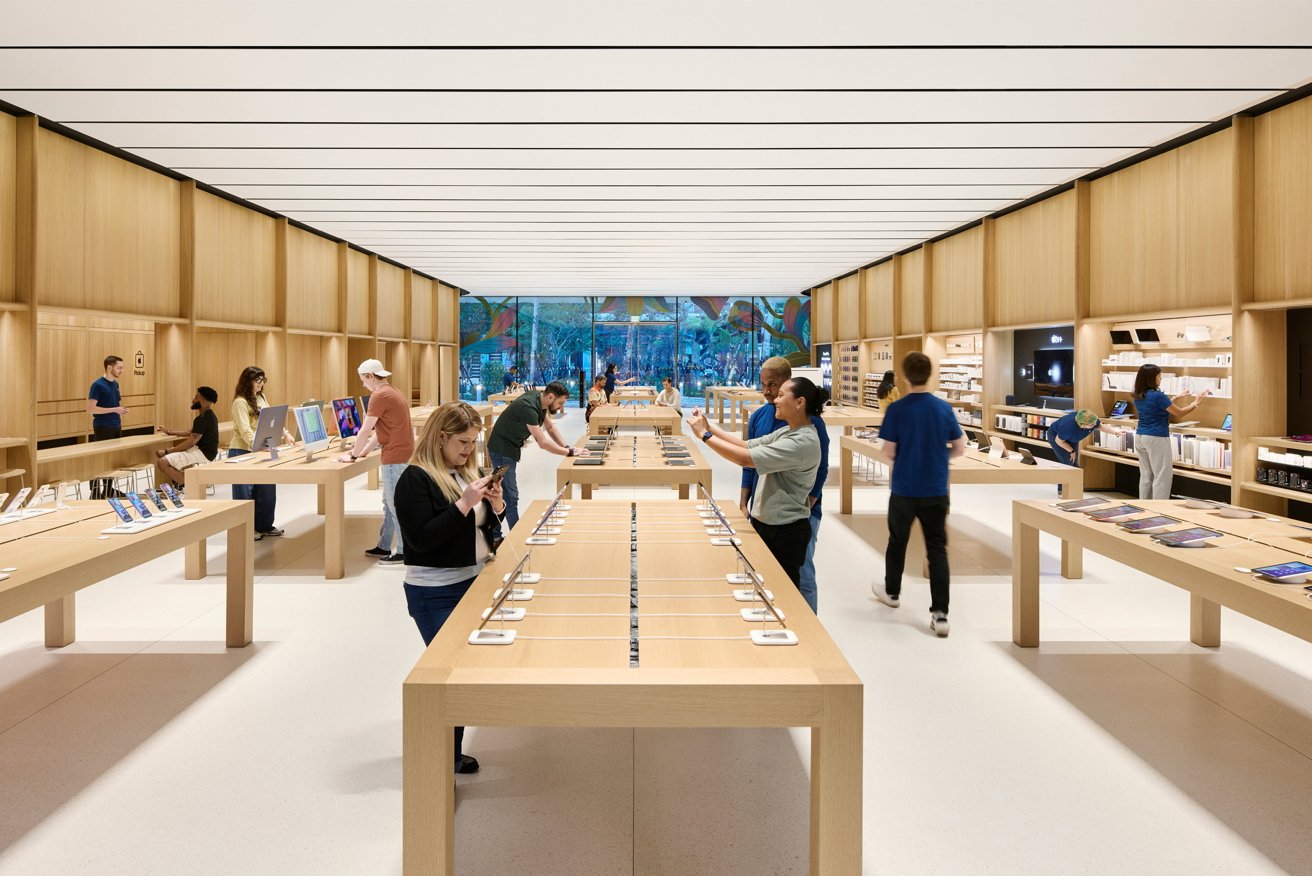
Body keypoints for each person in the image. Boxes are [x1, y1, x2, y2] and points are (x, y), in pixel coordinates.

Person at [395, 401, 505, 776]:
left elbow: (477, 525)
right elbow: (422, 540)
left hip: (472, 581)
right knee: (449, 674)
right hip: (435, 592)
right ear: (440, 437)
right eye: (462, 441)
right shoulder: (415, 478)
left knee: (461, 672)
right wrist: (464, 504)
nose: (468, 450)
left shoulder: (459, 472)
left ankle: (449, 753)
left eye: (473, 442)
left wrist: (496, 506)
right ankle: (443, 758)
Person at [689, 376, 824, 592]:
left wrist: (705, 436)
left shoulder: (801, 442)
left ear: (799, 402)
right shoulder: (789, 431)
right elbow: (746, 445)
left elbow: (746, 459)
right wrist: (710, 427)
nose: (776, 400)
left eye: (781, 395)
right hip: (769, 524)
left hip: (785, 531)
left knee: (781, 595)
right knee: (762, 588)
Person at [872, 351, 966, 638]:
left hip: (904, 488)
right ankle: (940, 614)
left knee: (897, 541)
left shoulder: (897, 410)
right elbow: (960, 447)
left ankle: (892, 592)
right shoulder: (943, 408)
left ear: (904, 376)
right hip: (936, 488)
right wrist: (939, 455)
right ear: (931, 374)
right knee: (937, 549)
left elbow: (888, 451)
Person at [737, 356, 829, 613]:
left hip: (797, 515)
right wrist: (745, 502)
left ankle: (809, 626)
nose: (767, 391)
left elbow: (820, 468)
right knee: (763, 571)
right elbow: (749, 461)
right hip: (765, 511)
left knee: (803, 575)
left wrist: (806, 504)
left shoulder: (811, 424)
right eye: (763, 384)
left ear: (788, 385)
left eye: (773, 385)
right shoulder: (760, 417)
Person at [338, 359, 415, 564]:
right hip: (403, 452)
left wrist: (353, 456)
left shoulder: (379, 395)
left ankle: (403, 551)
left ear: (371, 376)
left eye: (363, 380)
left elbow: (365, 429)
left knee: (395, 504)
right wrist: (362, 452)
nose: (363, 385)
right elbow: (381, 432)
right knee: (388, 503)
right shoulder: (392, 391)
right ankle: (384, 545)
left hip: (395, 456)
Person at [486, 380, 587, 528]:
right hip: (501, 450)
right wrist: (569, 452)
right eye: (560, 403)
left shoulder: (541, 401)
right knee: (510, 495)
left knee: (499, 491)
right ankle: (515, 535)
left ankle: (495, 534)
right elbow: (542, 442)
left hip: (509, 448)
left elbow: (550, 427)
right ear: (551, 396)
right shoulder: (529, 407)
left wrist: (567, 447)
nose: (560, 407)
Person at [1133, 364, 1210, 500]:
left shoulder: (1138, 394)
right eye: (1159, 375)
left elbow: (1156, 406)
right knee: (1162, 475)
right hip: (1156, 437)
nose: (1161, 378)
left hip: (1140, 436)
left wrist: (1175, 398)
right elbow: (1179, 413)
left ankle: (1144, 506)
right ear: (1152, 378)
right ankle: (1160, 509)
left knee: (1146, 475)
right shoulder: (1158, 396)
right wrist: (1196, 402)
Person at [228, 366, 288, 540]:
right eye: (257, 380)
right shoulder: (240, 402)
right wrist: (258, 445)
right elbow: (245, 429)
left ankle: (264, 525)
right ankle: (245, 529)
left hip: (261, 448)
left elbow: (271, 418)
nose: (261, 384)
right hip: (242, 450)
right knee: (244, 493)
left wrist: (285, 433)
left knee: (267, 488)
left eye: (263, 380)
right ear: (248, 382)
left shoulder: (261, 397)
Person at [155, 386, 220, 489]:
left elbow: (191, 441)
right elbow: (190, 432)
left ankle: (189, 488)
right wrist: (168, 431)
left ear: (202, 402)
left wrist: (168, 451)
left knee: (162, 462)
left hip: (203, 453)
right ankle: (185, 483)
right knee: (168, 460)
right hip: (205, 451)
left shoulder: (202, 418)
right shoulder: (209, 416)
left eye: (195, 398)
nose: (193, 400)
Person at [86, 355, 128, 499]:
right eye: (119, 367)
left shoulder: (115, 384)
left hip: (116, 425)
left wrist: (119, 409)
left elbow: (114, 405)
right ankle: (95, 491)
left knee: (112, 460)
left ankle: (108, 490)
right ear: (110, 367)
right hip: (103, 426)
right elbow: (91, 409)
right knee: (100, 459)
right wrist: (114, 409)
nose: (121, 370)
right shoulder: (98, 385)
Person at [1047, 408, 1124, 467]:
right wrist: (1071, 451)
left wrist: (1115, 432)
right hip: (1057, 437)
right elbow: (1059, 441)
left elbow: (1100, 426)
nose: (1094, 425)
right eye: (1091, 425)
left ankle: (1075, 486)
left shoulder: (1092, 421)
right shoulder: (1068, 426)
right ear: (1082, 424)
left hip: (1072, 438)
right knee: (1068, 464)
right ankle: (1065, 487)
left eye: (1094, 423)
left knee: (1074, 463)